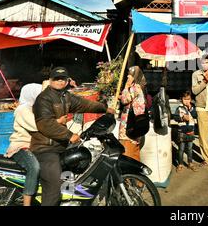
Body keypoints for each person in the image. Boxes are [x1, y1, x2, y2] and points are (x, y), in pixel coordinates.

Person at [31, 66, 113, 206]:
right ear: (50, 80)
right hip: (46, 148)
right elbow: (45, 124)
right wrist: (69, 135)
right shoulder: (44, 98)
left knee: (77, 169)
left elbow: (84, 104)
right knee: (54, 187)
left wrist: (104, 108)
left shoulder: (65, 96)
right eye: (56, 78)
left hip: (60, 145)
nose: (60, 81)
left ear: (67, 81)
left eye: (63, 79)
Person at [119, 66, 152, 161]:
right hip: (136, 124)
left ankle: (129, 175)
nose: (128, 76)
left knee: (127, 154)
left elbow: (125, 100)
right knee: (134, 153)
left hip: (129, 126)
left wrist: (126, 86)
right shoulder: (139, 87)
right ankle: (136, 175)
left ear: (135, 76)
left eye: (130, 74)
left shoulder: (135, 88)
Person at [175, 91, 198, 172]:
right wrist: (182, 118)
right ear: (181, 99)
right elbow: (176, 117)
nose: (186, 101)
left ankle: (190, 163)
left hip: (191, 131)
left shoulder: (192, 108)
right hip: (182, 131)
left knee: (189, 149)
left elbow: (195, 115)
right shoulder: (179, 108)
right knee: (181, 149)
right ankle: (180, 164)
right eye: (185, 99)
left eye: (188, 99)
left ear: (190, 99)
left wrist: (190, 108)